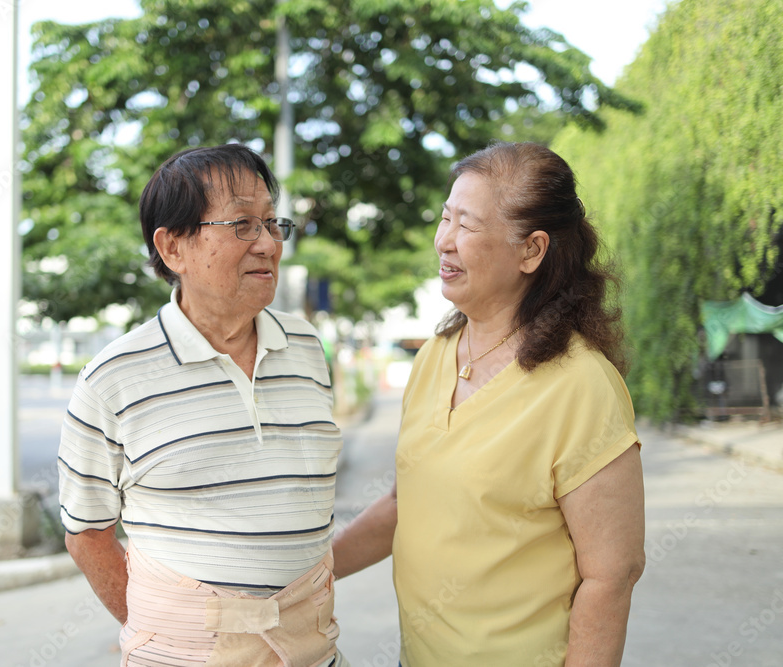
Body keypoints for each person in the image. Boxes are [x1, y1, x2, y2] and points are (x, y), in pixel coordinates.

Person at [333, 141, 646, 666]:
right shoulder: (434, 355)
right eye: (445, 218)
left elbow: (612, 575)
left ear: (532, 251)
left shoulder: (581, 385)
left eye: (467, 225)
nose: (444, 241)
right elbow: (406, 504)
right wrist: (309, 572)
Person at [57, 143, 347, 666]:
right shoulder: (112, 379)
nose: (268, 244)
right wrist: (171, 633)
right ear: (173, 248)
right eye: (242, 225)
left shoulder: (306, 347)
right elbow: (87, 535)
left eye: (271, 222)